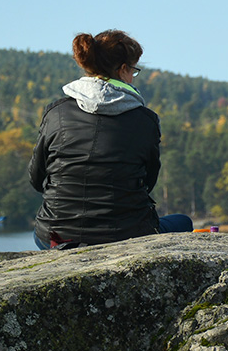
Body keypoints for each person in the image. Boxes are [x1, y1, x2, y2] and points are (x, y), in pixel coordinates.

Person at [28, 29, 191, 250]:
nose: (134, 76)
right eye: (134, 70)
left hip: (56, 236)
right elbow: (148, 182)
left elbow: (36, 178)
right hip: (127, 236)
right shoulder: (145, 121)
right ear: (123, 69)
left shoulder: (56, 113)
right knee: (184, 222)